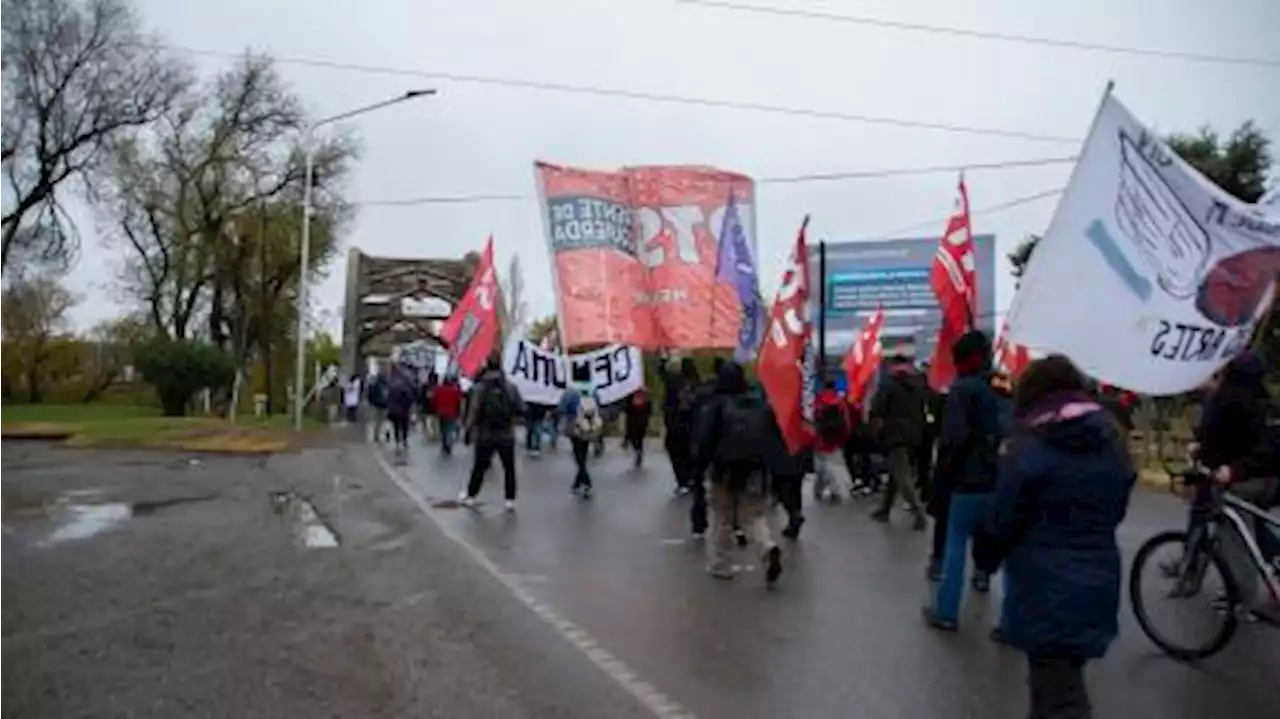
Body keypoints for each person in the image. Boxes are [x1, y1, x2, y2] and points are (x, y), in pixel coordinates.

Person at [979, 354, 1135, 719]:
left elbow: (1004, 517)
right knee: (1060, 678)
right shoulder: (1111, 440)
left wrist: (986, 556)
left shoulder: (1029, 446)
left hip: (1042, 582)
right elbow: (1116, 505)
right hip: (1098, 575)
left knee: (1059, 694)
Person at [923, 331, 1013, 627]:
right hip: (1001, 478)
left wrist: (945, 471)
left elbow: (953, 439)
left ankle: (947, 612)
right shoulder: (1002, 386)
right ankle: (1011, 622)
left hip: (967, 480)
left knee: (956, 542)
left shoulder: (962, 390)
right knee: (1008, 549)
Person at [1192, 351, 1279, 618]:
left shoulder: (1228, 399)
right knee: (1255, 525)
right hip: (1271, 478)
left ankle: (1244, 599)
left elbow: (1211, 435)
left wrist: (1224, 467)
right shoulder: (1266, 404)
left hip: (1242, 479)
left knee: (1234, 537)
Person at [693, 360, 783, 584]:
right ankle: (766, 547)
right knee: (753, 516)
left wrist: (698, 468)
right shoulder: (759, 403)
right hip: (755, 469)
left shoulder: (716, 405)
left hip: (723, 470)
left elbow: (705, 441)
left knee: (722, 516)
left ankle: (720, 564)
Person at [870, 354, 929, 529]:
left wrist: (875, 428)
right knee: (896, 471)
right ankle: (884, 509)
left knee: (903, 476)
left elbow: (877, 408)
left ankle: (919, 514)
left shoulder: (889, 383)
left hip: (895, 434)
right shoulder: (918, 383)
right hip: (914, 433)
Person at [461, 357, 524, 511]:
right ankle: (510, 499)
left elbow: (473, 411)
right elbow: (521, 408)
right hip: (506, 434)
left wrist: (468, 430)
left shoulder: (480, 387)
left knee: (479, 467)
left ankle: (471, 496)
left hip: (485, 434)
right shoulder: (510, 387)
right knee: (509, 468)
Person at [559, 364, 604, 497]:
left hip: (574, 425)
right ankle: (577, 483)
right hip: (590, 425)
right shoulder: (593, 390)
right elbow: (599, 406)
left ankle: (587, 482)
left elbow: (562, 407)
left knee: (578, 455)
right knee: (583, 453)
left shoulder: (571, 390)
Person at [813, 377, 853, 503]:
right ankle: (837, 491)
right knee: (835, 466)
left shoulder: (817, 401)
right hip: (835, 440)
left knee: (820, 467)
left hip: (819, 439)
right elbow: (847, 423)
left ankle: (818, 490)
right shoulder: (839, 402)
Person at [386, 364, 417, 454]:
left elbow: (389, 398)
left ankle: (397, 442)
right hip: (404, 411)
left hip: (394, 410)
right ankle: (404, 441)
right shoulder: (406, 387)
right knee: (404, 427)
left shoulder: (392, 386)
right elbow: (410, 399)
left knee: (396, 427)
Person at [433, 374, 464, 455]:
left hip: (441, 412)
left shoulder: (438, 389)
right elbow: (458, 402)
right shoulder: (455, 390)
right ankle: (448, 444)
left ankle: (444, 444)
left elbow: (434, 400)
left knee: (443, 429)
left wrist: (436, 409)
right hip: (452, 413)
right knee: (450, 429)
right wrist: (459, 412)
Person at [623, 388, 652, 468]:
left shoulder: (641, 395)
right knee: (637, 437)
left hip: (637, 419)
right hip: (637, 418)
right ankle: (638, 450)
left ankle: (638, 450)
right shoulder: (633, 394)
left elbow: (626, 407)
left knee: (636, 436)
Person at [366, 370, 391, 443]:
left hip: (376, 405)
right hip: (385, 405)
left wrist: (371, 402)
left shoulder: (375, 384)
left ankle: (376, 435)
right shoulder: (388, 384)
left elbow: (370, 394)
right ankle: (386, 433)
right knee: (385, 420)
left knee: (377, 421)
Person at [420, 371, 439, 441]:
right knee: (435, 423)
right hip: (435, 408)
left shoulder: (425, 386)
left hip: (427, 408)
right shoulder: (438, 387)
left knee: (428, 423)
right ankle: (434, 435)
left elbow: (421, 397)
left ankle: (430, 435)